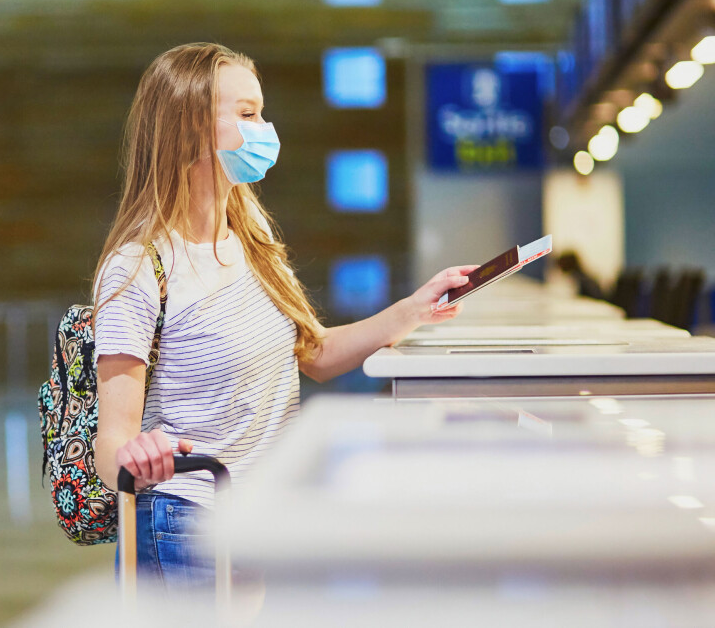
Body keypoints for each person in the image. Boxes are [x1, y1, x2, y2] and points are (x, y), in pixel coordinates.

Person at [89, 42, 474, 590]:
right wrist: (137, 456)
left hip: (263, 513)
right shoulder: (138, 267)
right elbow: (112, 448)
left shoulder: (252, 236)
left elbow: (313, 354)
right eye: (247, 114)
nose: (264, 128)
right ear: (191, 127)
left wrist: (415, 309)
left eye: (262, 111)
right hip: (186, 525)